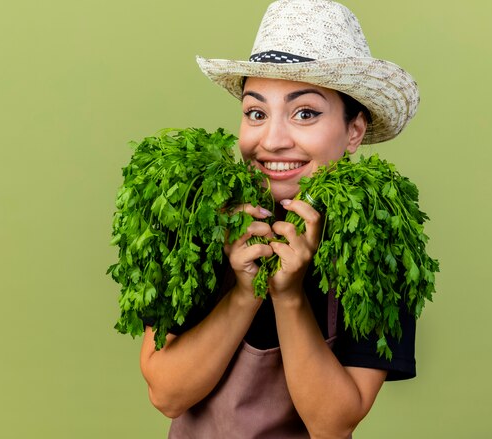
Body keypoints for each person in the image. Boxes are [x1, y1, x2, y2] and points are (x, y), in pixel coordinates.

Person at [140, 1, 420, 437]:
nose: (271, 140)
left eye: (305, 113)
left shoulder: (380, 241)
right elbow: (167, 394)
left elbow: (332, 424)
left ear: (354, 132)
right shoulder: (196, 217)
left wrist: (288, 295)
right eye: (256, 113)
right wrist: (244, 292)